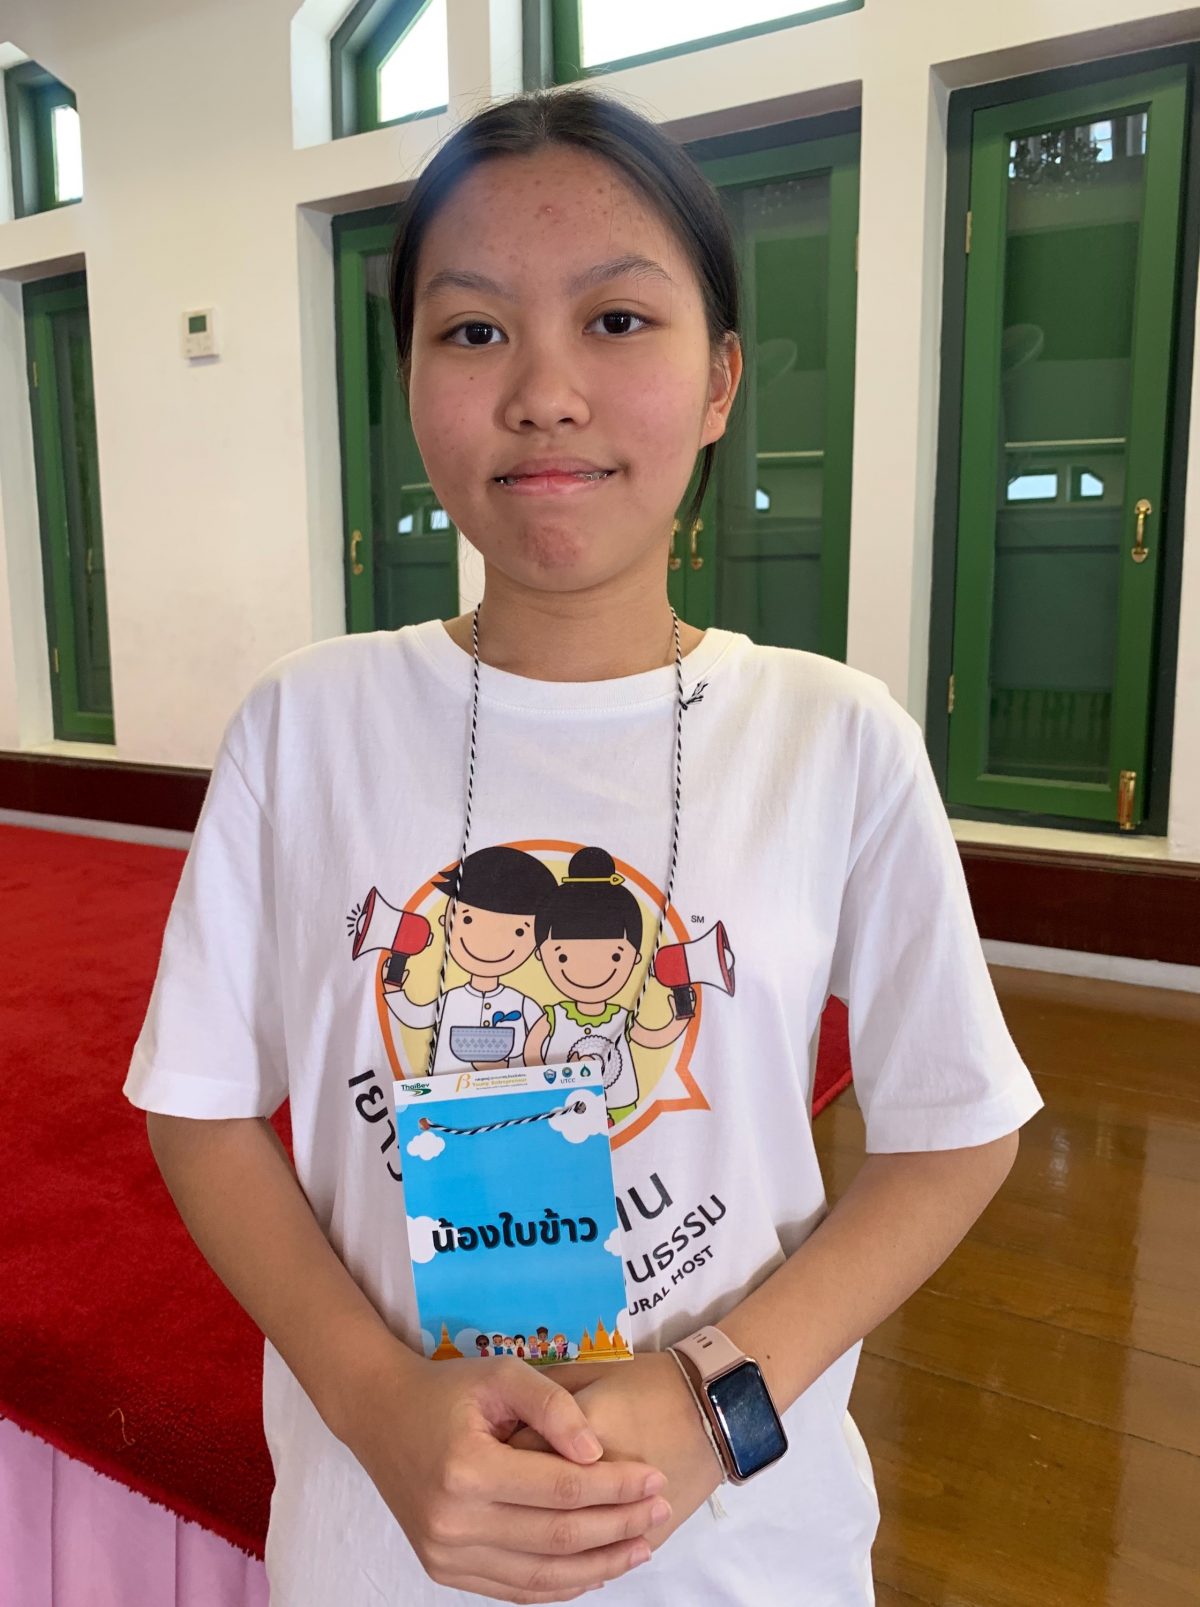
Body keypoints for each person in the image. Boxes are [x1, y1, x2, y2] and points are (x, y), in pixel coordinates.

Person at [124, 84, 1044, 1607]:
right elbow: (202, 1110)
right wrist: (377, 1402)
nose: (545, 392)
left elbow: (956, 1132)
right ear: (410, 380)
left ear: (721, 378)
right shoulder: (304, 725)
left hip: (739, 1548)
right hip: (384, 1544)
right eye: (473, 329)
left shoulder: (836, 738)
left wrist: (711, 1401)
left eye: (618, 321)